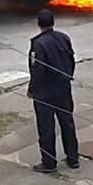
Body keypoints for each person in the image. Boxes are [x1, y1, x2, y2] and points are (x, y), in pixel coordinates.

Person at [27, 9, 80, 174]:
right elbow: (71, 60)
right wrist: (68, 77)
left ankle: (49, 163)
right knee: (67, 123)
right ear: (53, 22)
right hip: (63, 88)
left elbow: (37, 70)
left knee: (46, 127)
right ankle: (73, 159)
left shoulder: (38, 44)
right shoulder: (64, 38)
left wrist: (32, 89)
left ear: (38, 24)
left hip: (45, 92)